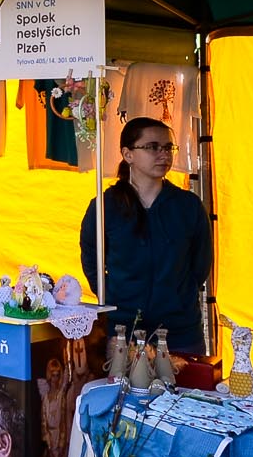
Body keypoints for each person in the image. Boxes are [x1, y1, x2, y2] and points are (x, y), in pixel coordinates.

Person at [80, 115, 212, 355]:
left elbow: (201, 264)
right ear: (127, 153)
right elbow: (91, 256)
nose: (163, 154)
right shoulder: (105, 206)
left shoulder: (188, 206)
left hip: (180, 332)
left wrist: (179, 296)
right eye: (152, 147)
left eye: (168, 147)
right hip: (123, 331)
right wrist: (109, 294)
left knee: (186, 392)